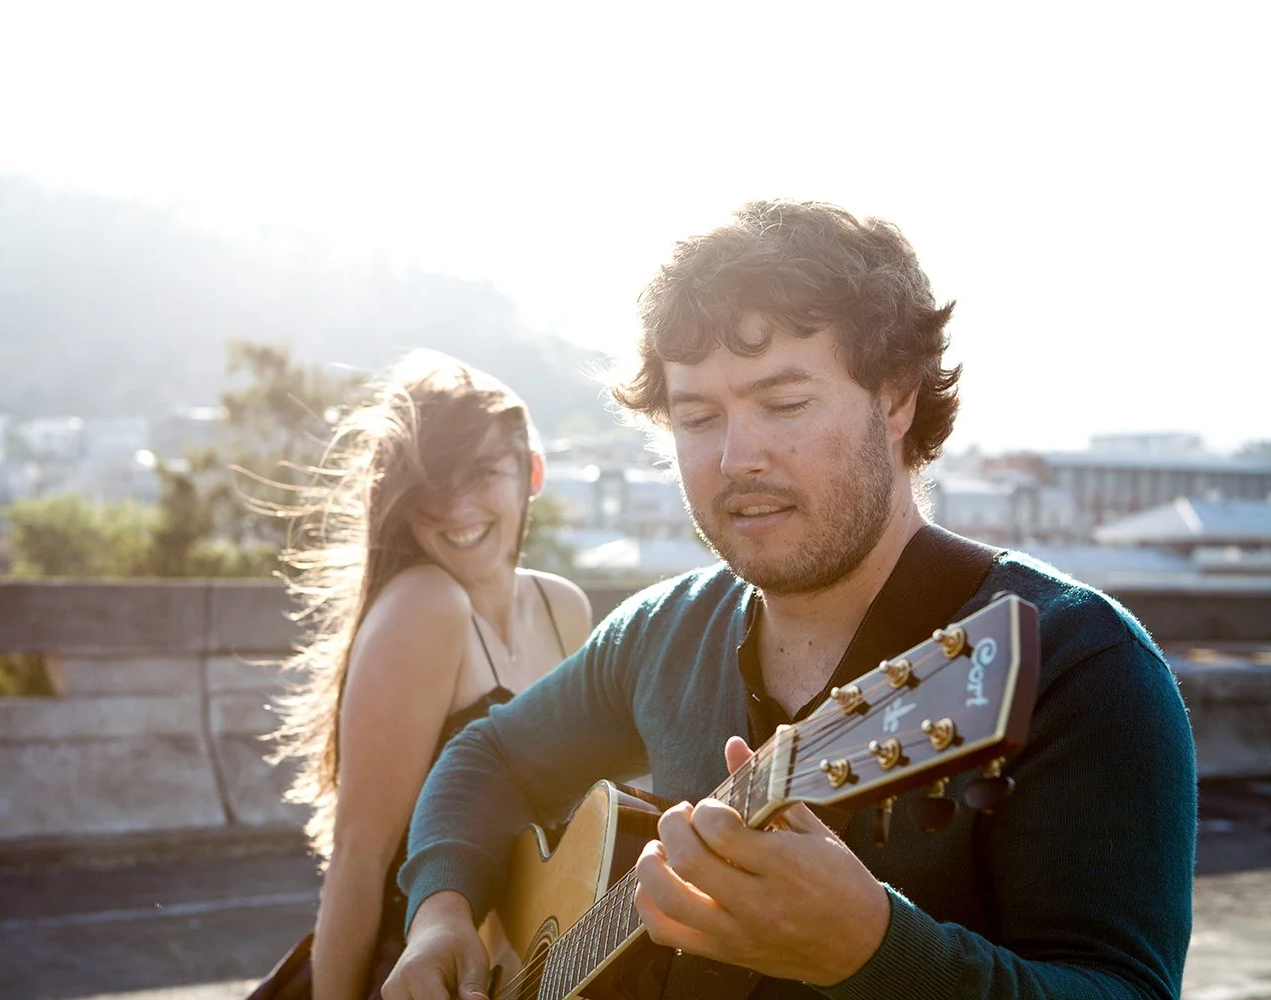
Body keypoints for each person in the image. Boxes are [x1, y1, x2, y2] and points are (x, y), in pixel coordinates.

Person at [382, 200, 1198, 1000]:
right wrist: (441, 912)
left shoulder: (1077, 663)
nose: (738, 457)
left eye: (785, 404)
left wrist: (875, 953)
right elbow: (486, 758)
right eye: (698, 416)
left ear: (895, 397)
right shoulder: (666, 630)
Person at [262, 350, 593, 1000]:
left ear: (532, 473)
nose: (456, 505)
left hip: (517, 974)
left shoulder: (565, 609)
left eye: (484, 472)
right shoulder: (426, 606)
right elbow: (359, 857)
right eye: (431, 482)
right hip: (408, 976)